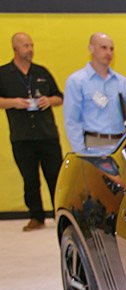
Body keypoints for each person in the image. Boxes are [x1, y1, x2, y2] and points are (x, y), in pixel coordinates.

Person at [0, 33, 63, 231]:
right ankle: (36, 216)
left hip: (47, 135)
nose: (30, 49)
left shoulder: (41, 72)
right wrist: (13, 103)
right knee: (30, 178)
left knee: (55, 176)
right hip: (22, 136)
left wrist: (49, 100)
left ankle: (60, 214)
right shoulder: (3, 73)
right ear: (15, 49)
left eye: (31, 45)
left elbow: (59, 96)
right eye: (25, 45)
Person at [63, 33, 126, 154]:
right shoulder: (77, 81)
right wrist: (80, 152)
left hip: (120, 143)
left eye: (111, 49)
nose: (108, 52)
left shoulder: (122, 82)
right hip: (93, 144)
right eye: (103, 48)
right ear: (91, 49)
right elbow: (72, 120)